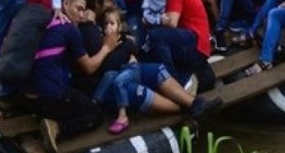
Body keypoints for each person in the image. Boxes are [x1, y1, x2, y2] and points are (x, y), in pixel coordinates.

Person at [90, 9, 223, 134]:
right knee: (135, 89)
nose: (108, 27)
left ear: (119, 27)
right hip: (114, 83)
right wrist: (107, 48)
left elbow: (134, 57)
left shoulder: (126, 42)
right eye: (106, 24)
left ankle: (196, 104)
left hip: (130, 72)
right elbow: (104, 69)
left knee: (157, 69)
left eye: (112, 24)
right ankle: (184, 107)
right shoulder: (100, 44)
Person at [24, 0, 119, 153]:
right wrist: (107, 47)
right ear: (65, 4)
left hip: (29, 96)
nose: (81, 15)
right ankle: (57, 127)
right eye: (78, 9)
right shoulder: (69, 30)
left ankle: (45, 114)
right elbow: (89, 67)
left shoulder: (48, 18)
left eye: (84, 10)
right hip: (49, 97)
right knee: (95, 114)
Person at [144, 0, 215, 92]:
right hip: (191, 38)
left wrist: (154, 20)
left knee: (156, 36)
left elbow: (172, 22)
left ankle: (174, 82)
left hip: (196, 42)